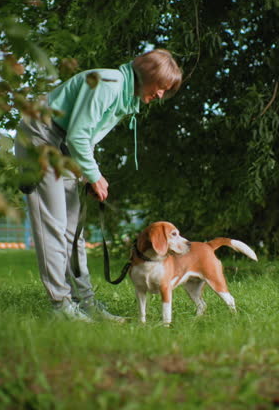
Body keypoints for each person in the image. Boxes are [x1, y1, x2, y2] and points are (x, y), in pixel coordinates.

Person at [15, 49, 182, 322]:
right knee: (54, 228)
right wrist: (93, 174)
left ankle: (86, 302)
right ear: (146, 76)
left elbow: (85, 136)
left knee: (73, 231)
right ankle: (60, 307)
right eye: (161, 87)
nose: (161, 95)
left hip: (64, 145)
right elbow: (79, 134)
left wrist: (87, 173)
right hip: (40, 139)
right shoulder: (109, 84)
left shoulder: (125, 95)